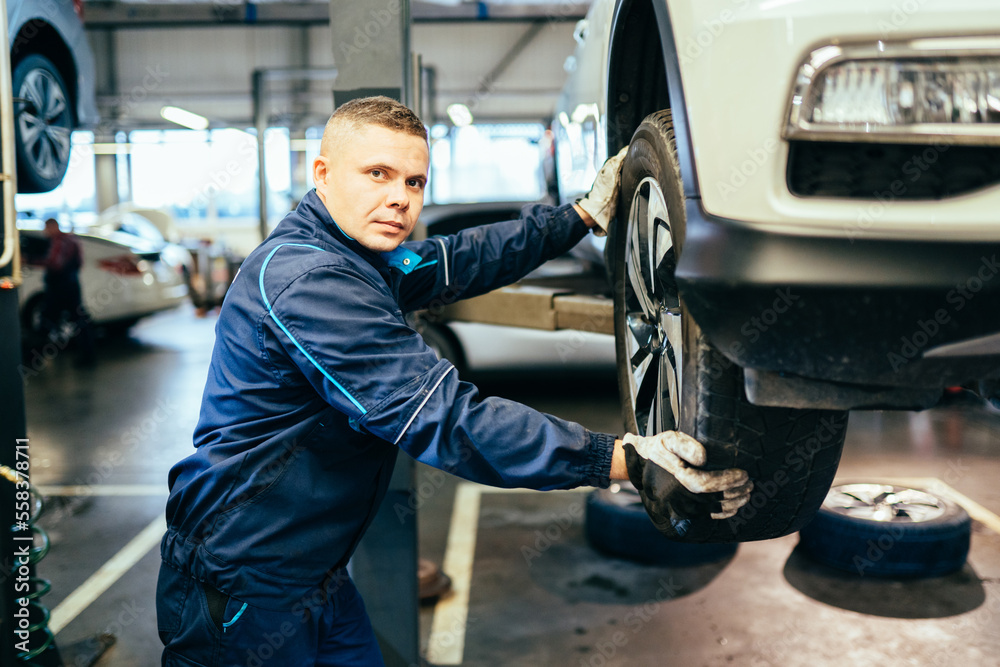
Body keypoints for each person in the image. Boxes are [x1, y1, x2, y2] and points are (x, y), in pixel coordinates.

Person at [156, 97, 753, 666]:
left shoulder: (357, 256)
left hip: (316, 574)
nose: (399, 199)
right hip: (242, 585)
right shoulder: (309, 280)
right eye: (378, 174)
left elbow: (461, 256)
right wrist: (620, 459)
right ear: (323, 173)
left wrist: (578, 217)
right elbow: (446, 418)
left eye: (413, 182)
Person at [40, 218, 94, 365]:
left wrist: (31, 261)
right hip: (72, 285)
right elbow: (79, 262)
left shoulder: (59, 241)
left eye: (46, 228)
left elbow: (55, 263)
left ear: (52, 226)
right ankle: (87, 354)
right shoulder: (72, 239)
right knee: (78, 319)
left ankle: (34, 357)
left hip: (60, 287)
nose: (45, 231)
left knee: (47, 318)